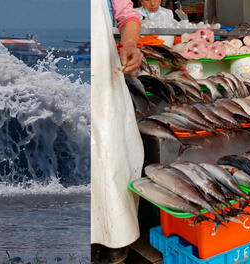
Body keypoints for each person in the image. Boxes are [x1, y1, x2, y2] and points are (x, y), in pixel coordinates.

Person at [91, 0, 144, 263]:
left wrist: (131, 44)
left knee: (112, 156)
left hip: (103, 76)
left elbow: (127, 16)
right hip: (58, 75)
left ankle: (114, 238)